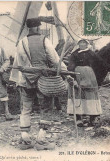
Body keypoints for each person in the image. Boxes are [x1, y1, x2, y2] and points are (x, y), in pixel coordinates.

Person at [10, 18, 71, 150]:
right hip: (42, 80)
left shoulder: (21, 42)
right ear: (38, 28)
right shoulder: (44, 40)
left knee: (25, 109)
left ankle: (25, 140)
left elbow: (18, 63)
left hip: (25, 80)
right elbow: (54, 59)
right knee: (46, 108)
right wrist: (66, 72)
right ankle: (41, 140)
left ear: (28, 28)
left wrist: (18, 79)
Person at [66, 39, 103, 127]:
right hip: (78, 75)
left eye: (84, 43)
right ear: (78, 44)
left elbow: (101, 63)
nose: (82, 44)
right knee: (78, 94)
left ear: (87, 44)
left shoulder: (92, 53)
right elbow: (71, 66)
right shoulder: (74, 54)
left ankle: (92, 117)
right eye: (80, 42)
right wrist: (72, 77)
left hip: (90, 76)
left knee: (90, 95)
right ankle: (79, 118)